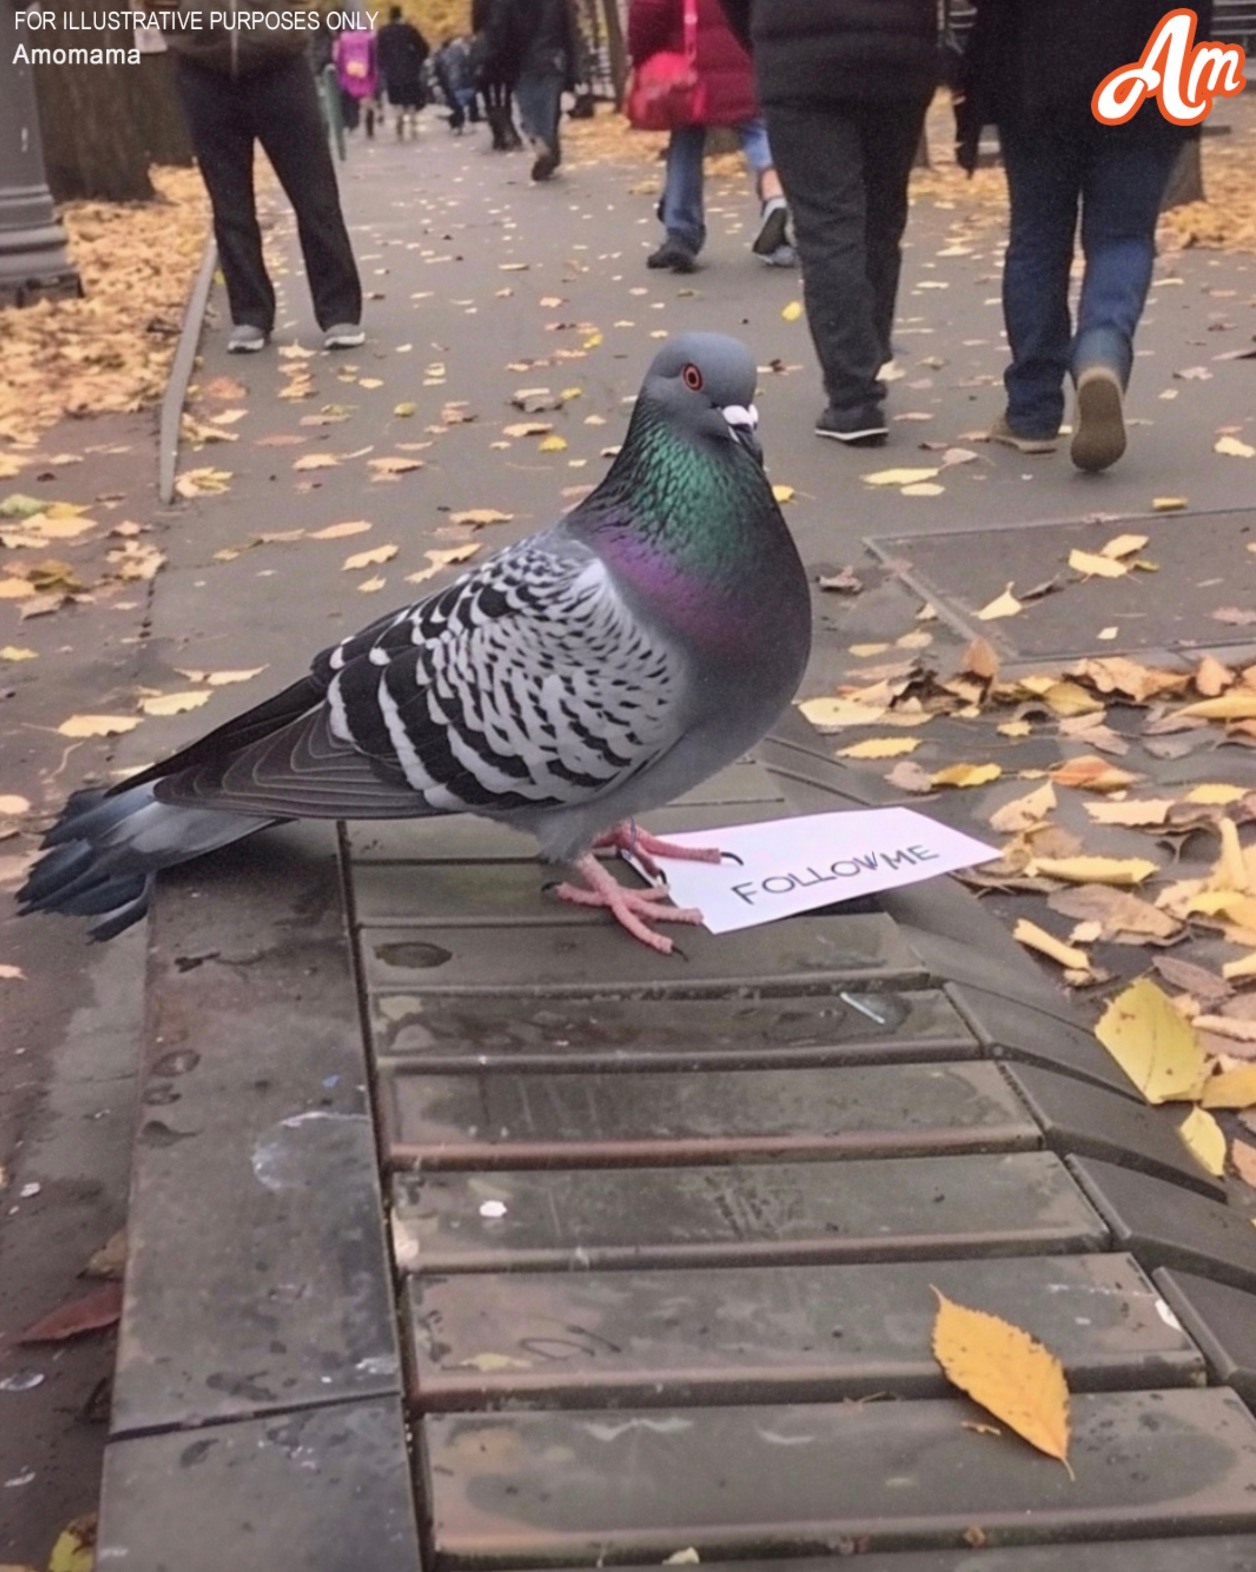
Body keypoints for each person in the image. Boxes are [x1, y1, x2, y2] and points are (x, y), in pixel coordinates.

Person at [956, 0, 1209, 474]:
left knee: (1037, 240)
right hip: (1148, 68)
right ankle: (1102, 350)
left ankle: (1031, 411)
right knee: (1124, 237)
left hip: (1036, 74)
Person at [719, 0, 937, 447]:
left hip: (798, 57)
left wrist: (764, 35)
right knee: (881, 217)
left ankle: (853, 396)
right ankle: (869, 350)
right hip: (897, 49)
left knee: (826, 227)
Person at [162, 7, 364, 355]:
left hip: (280, 64)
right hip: (203, 68)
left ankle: (339, 311)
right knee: (229, 203)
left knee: (314, 194)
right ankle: (250, 315)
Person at [628, 0, 795, 274]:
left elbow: (648, 12)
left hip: (689, 65)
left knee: (685, 141)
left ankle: (681, 232)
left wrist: (642, 55)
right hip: (745, 55)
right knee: (758, 131)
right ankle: (775, 199)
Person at [481, 0, 578, 180]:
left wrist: (493, 62)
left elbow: (498, 31)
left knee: (528, 107)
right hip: (552, 58)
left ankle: (538, 139)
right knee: (549, 108)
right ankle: (548, 145)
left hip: (520, 61)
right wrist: (573, 70)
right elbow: (568, 33)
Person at [471, 0, 523, 150]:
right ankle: (509, 131)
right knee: (505, 95)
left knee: (489, 97)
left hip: (485, 52)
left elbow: (476, 25)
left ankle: (498, 135)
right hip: (505, 51)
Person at [376, 6, 430, 140]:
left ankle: (399, 118)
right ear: (401, 15)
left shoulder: (383, 32)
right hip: (410, 70)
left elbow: (378, 53)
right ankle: (413, 124)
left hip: (392, 72)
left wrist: (384, 66)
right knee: (411, 100)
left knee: (397, 101)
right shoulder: (410, 30)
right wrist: (417, 61)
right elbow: (424, 47)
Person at [334, 25, 379, 137]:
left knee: (349, 98)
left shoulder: (343, 39)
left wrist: (340, 71)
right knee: (367, 101)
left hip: (348, 72)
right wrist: (374, 74)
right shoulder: (369, 38)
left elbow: (339, 57)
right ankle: (369, 129)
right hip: (365, 72)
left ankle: (352, 123)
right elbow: (373, 57)